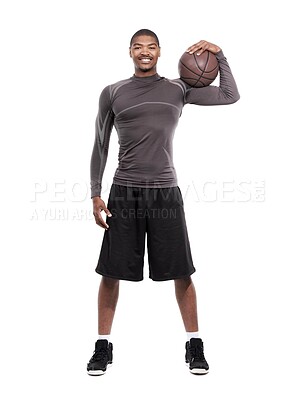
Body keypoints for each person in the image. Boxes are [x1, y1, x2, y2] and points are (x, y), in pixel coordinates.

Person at [87, 29, 240, 376]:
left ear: (159, 52)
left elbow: (230, 95)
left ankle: (194, 344)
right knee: (111, 273)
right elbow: (99, 144)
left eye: (151, 47)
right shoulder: (113, 92)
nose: (145, 52)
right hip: (123, 192)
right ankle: (102, 346)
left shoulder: (179, 88)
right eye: (138, 47)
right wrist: (96, 192)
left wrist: (221, 54)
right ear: (130, 52)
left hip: (165, 192)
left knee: (181, 271)